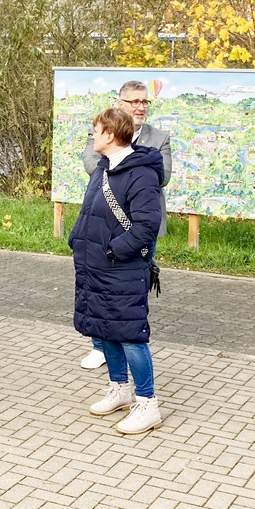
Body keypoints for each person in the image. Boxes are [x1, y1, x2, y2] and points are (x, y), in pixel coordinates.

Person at [70, 106, 165, 434]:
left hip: (120, 268)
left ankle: (147, 404)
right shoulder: (103, 167)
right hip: (94, 266)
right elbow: (90, 212)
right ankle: (119, 389)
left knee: (129, 336)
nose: (93, 136)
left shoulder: (140, 173)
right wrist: (77, 241)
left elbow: (147, 225)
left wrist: (113, 251)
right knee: (104, 329)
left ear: (110, 134)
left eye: (96, 131)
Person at [80, 79, 172, 370]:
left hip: (139, 227)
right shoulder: (102, 131)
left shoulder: (158, 138)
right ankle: (101, 346)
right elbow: (92, 165)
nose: (141, 106)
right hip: (105, 226)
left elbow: (162, 177)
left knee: (129, 293)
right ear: (119, 103)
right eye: (134, 101)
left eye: (144, 101)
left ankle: (129, 349)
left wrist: (130, 161)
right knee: (99, 291)